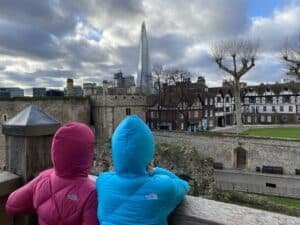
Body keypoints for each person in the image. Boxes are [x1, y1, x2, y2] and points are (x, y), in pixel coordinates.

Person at [96, 115, 189, 225]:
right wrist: (155, 170)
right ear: (148, 151)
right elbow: (184, 185)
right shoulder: (163, 187)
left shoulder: (102, 181)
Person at [6, 122, 99, 225]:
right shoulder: (92, 193)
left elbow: (12, 205)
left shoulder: (44, 177)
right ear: (88, 153)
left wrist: (41, 202)